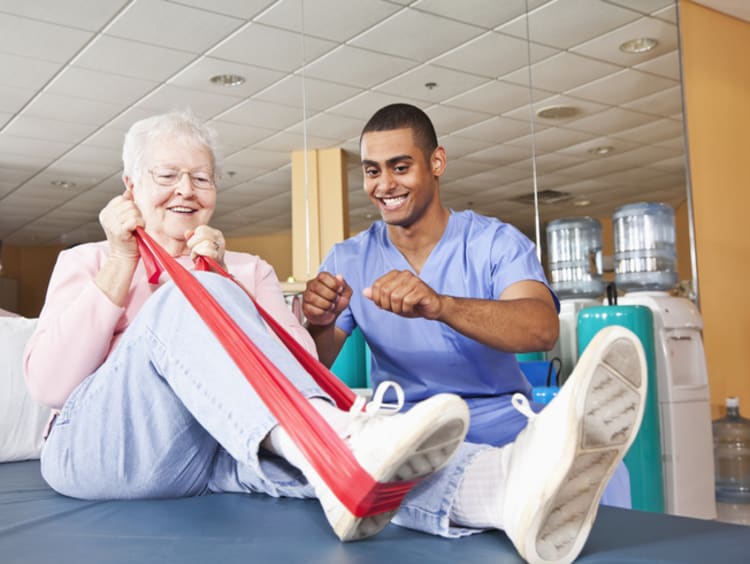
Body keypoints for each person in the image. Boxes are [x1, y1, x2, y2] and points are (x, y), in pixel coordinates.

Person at [22, 110, 472, 543]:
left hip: (205, 450)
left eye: (202, 178)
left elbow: (299, 370)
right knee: (188, 293)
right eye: (167, 176)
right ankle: (334, 442)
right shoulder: (88, 261)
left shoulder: (248, 269)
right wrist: (124, 260)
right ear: (131, 187)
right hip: (95, 452)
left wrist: (223, 280)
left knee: (383, 462)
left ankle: (496, 486)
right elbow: (51, 386)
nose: (186, 190)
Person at [302, 103, 647, 563]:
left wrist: (440, 305)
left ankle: (557, 446)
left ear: (436, 163)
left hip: (500, 423)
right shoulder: (347, 257)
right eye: (372, 171)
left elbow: (541, 328)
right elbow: (313, 366)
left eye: (400, 167)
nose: (384, 185)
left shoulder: (494, 242)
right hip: (410, 434)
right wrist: (319, 325)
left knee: (604, 479)